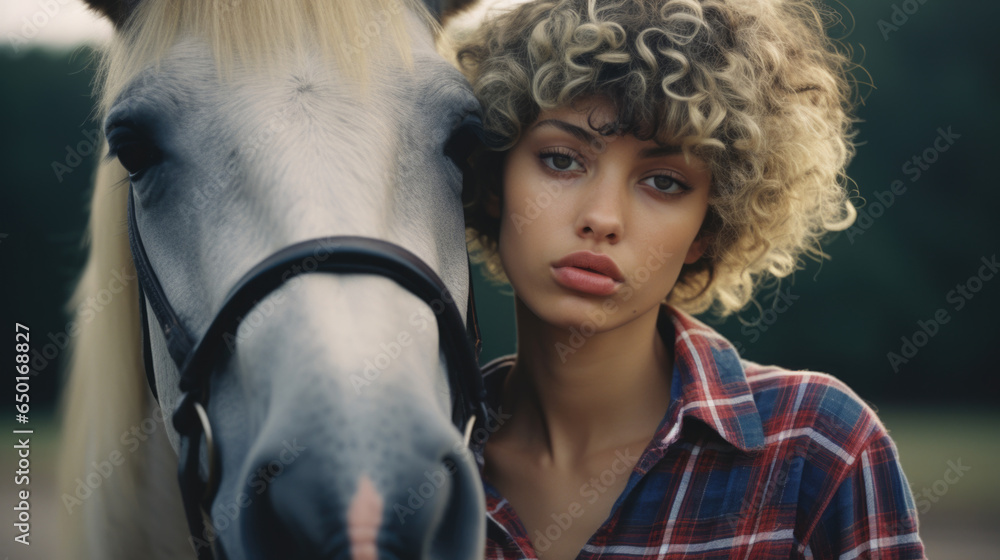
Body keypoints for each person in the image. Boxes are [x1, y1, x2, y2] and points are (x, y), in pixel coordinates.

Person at [451, 0, 926, 558]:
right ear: (492, 179)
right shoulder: (414, 466)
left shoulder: (819, 450)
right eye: (561, 159)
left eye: (664, 182)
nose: (602, 218)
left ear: (708, 227)